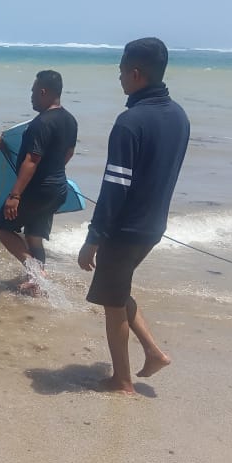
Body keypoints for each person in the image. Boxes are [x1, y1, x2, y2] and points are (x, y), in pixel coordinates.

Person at [78, 37, 190, 394]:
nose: (120, 79)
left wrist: (93, 239)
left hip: (125, 229)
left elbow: (115, 188)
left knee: (111, 302)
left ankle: (122, 380)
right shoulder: (179, 116)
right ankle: (154, 352)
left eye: (122, 72)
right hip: (154, 225)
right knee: (118, 288)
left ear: (137, 74)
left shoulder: (130, 122)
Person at [0, 70, 77, 294]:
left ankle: (34, 270)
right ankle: (36, 284)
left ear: (43, 92)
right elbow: (69, 153)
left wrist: (15, 196)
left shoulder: (40, 124)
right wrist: (53, 172)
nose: (31, 96)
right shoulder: (70, 120)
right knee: (34, 236)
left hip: (36, 190)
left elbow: (31, 160)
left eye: (33, 92)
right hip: (57, 189)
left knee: (2, 226)